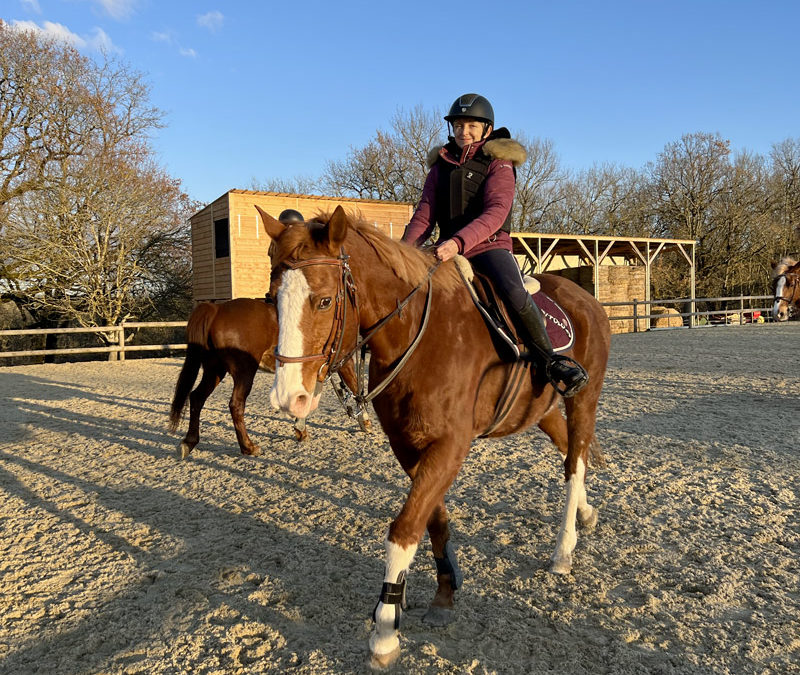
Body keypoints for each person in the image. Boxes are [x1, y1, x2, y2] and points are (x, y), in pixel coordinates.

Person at [402, 93, 588, 397]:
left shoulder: (499, 163)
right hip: (445, 248)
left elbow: (496, 212)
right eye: (459, 125)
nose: (464, 132)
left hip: (487, 246)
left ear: (487, 129)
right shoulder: (440, 167)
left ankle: (550, 361)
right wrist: (403, 251)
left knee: (513, 291)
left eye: (472, 125)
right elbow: (424, 214)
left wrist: (458, 242)